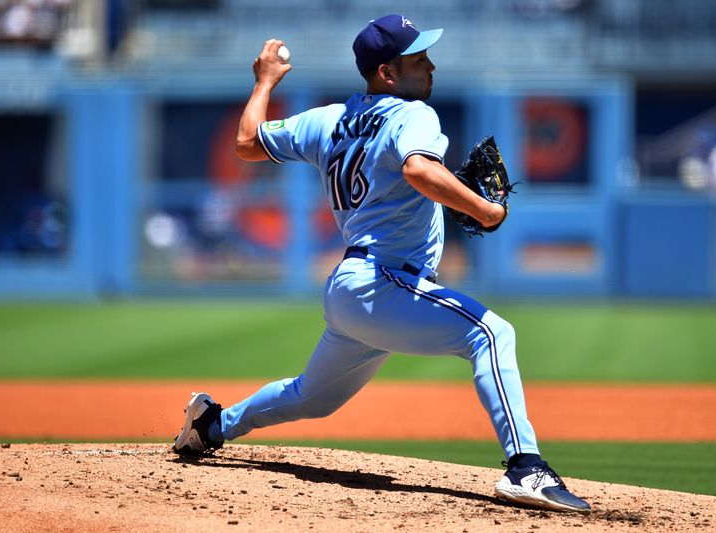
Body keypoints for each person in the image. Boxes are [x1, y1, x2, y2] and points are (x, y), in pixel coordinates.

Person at [172, 14, 590, 514]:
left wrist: (263, 82)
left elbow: (246, 142)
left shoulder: (328, 120)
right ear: (388, 73)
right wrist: (485, 210)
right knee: (490, 335)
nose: (431, 66)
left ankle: (212, 424)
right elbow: (417, 168)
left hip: (355, 289)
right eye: (419, 59)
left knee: (313, 397)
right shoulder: (412, 113)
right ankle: (526, 468)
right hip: (383, 281)